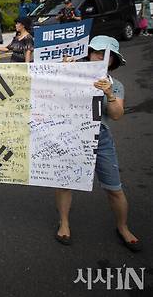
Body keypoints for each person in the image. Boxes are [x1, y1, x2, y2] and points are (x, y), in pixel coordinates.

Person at [54, 36, 141, 252]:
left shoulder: (115, 85)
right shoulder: (72, 71)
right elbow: (50, 94)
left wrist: (109, 93)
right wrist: (64, 72)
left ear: (113, 61)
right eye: (97, 52)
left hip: (100, 138)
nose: (101, 57)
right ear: (89, 53)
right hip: (72, 134)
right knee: (66, 182)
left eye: (107, 55)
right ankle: (64, 222)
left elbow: (117, 115)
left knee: (114, 188)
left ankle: (123, 227)